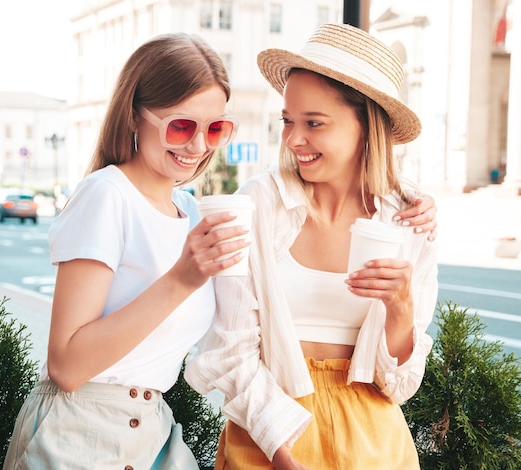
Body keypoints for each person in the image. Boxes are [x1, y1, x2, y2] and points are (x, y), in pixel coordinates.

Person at [185, 23, 439, 469]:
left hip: (374, 446)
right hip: (267, 438)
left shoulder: (408, 219)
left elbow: (399, 385)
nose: (292, 139)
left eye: (313, 123)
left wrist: (400, 308)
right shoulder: (257, 205)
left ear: (366, 124)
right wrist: (283, 454)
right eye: (288, 121)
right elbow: (230, 352)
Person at [2, 32, 249, 469]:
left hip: (151, 432)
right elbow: (67, 366)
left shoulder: (192, 212)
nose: (198, 146)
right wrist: (181, 278)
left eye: (215, 129)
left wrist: (404, 204)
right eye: (181, 125)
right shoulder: (106, 195)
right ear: (135, 116)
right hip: (78, 434)